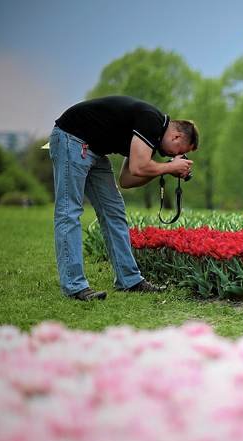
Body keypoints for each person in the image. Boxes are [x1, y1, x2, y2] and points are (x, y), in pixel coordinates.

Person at [50, 95, 198, 300]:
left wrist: (165, 170)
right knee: (69, 212)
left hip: (96, 151)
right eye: (180, 151)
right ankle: (74, 286)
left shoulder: (151, 137)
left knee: (114, 212)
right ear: (176, 137)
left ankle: (129, 280)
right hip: (72, 139)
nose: (173, 156)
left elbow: (127, 179)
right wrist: (170, 166)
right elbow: (138, 168)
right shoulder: (152, 121)